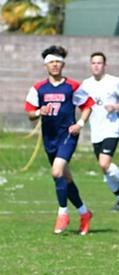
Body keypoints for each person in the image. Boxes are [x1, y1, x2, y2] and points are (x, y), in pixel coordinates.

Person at [24, 45, 94, 235]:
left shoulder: (73, 86)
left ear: (63, 64)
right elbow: (30, 112)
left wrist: (79, 123)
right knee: (65, 178)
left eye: (58, 61)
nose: (55, 65)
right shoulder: (38, 88)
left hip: (68, 136)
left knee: (56, 172)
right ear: (46, 65)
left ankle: (63, 213)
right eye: (51, 62)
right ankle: (85, 213)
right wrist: (39, 111)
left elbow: (88, 106)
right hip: (50, 139)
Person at [81, 51, 119, 211]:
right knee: (105, 169)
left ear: (104, 65)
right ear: (90, 65)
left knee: (105, 163)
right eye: (93, 63)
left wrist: (116, 106)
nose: (96, 66)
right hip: (95, 131)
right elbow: (80, 103)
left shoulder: (114, 82)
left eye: (99, 63)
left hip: (111, 129)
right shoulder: (86, 84)